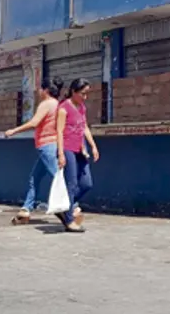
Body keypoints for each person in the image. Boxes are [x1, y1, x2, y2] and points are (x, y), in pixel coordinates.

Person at [4, 77, 83, 231]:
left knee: (57, 178)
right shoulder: (58, 104)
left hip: (47, 145)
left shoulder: (47, 104)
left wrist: (14, 130)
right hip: (49, 146)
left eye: (41, 88)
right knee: (35, 178)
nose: (39, 91)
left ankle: (73, 207)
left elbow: (34, 123)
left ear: (46, 91)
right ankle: (26, 209)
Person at [57, 78, 99, 232]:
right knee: (72, 183)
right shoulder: (63, 108)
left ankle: (63, 208)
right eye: (83, 94)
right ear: (74, 92)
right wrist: (61, 154)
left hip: (80, 149)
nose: (85, 97)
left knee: (87, 183)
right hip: (68, 148)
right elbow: (59, 132)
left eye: (87, 94)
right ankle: (69, 220)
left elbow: (84, 127)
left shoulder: (81, 107)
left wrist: (93, 146)